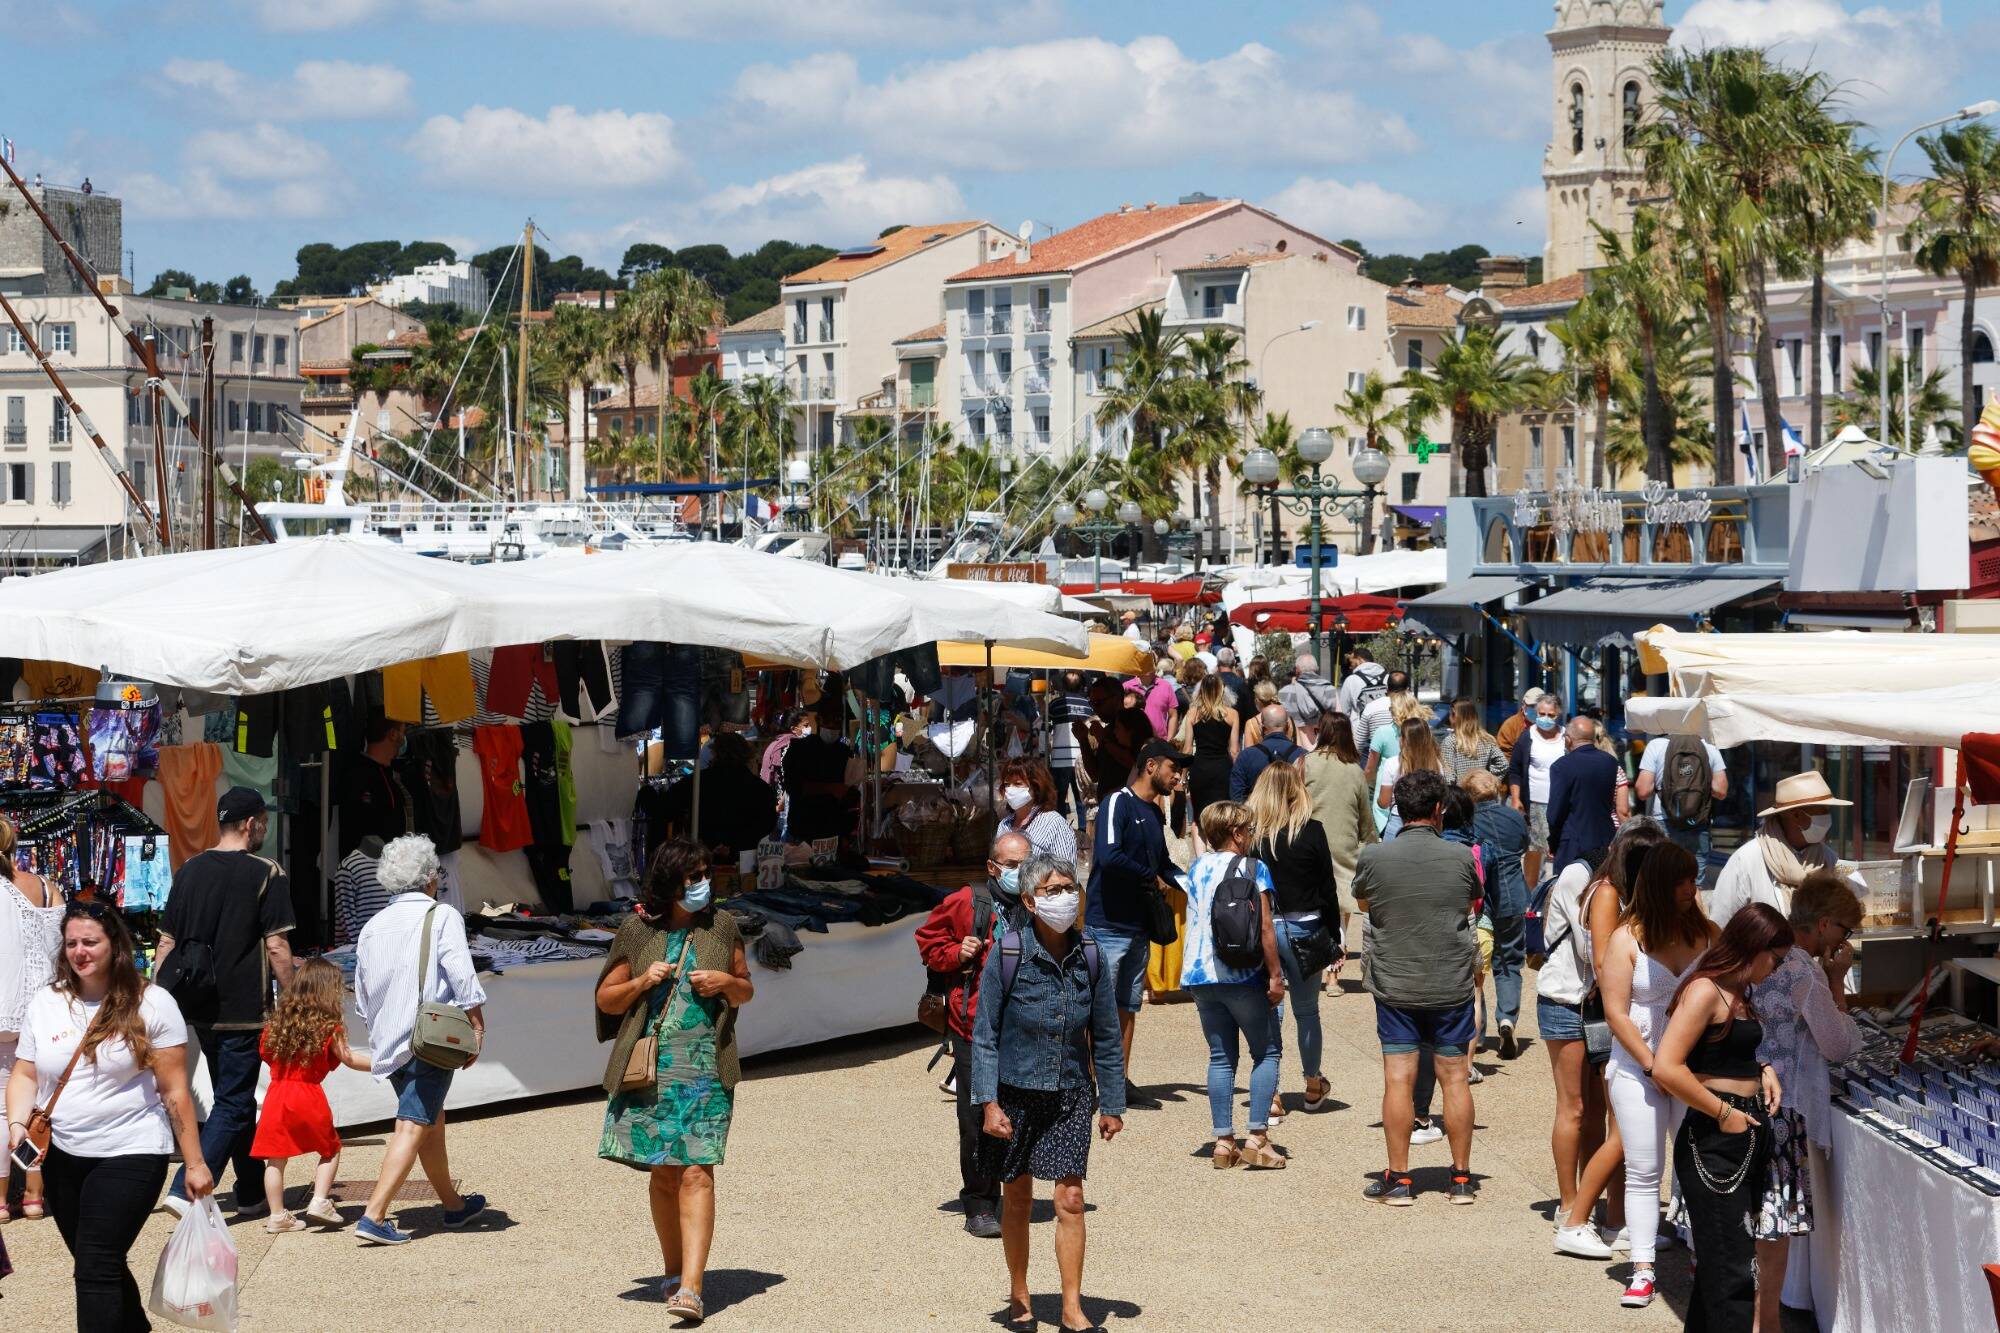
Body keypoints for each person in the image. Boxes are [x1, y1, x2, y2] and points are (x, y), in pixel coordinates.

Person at [5, 902, 211, 1329]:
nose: (80, 952)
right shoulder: (47, 1001)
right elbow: (25, 1073)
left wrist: (195, 1163)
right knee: (99, 1261)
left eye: (90, 942)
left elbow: (175, 1091)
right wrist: (17, 1124)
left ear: (115, 944)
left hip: (132, 1149)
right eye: (71, 943)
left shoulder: (153, 1003)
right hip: (63, 1154)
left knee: (95, 1265)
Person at [595, 839, 754, 1324]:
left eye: (706, 873)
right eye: (693, 876)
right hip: (652, 1070)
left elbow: (746, 989)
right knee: (664, 1173)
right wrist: (643, 982)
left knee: (697, 1171)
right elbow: (606, 999)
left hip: (706, 1070)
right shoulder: (637, 931)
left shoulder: (722, 926)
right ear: (670, 881)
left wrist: (726, 984)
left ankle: (692, 1287)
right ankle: (672, 1272)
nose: (703, 883)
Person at [1555, 842, 1717, 1309]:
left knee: (1694, 1168)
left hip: (1692, 1069)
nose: (1691, 889)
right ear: (1661, 885)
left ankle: (1699, 1256)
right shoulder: (1627, 938)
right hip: (1636, 1067)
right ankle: (1643, 1269)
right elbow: (1615, 1013)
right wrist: (1652, 1064)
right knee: (1645, 1171)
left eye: (1693, 880)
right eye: (1682, 881)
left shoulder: (1707, 933)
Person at [971, 855, 1124, 1333]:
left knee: (1071, 1199)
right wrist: (988, 1103)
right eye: (1053, 890)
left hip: (1070, 1096)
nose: (1065, 897)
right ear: (1031, 901)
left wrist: (1112, 1103)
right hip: (1014, 1094)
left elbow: (1106, 1035)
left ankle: (1072, 1309)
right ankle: (1020, 1297)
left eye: (1069, 887)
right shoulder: (1008, 953)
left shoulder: (1091, 954)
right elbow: (985, 1034)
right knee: (1017, 1199)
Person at [158, 786, 297, 1216]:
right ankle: (186, 1188)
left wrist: (156, 1000)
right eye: (264, 823)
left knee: (232, 1097)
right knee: (235, 1103)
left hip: (197, 1004)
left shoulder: (189, 869)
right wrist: (294, 998)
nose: (264, 830)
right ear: (250, 824)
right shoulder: (266, 872)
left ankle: (251, 1192)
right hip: (243, 1007)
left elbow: (166, 942)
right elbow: (277, 946)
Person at [1652, 904, 1792, 1333]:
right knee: (1732, 1274)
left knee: (1722, 1268)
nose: (1777, 968)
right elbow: (1666, 1067)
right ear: (1754, 946)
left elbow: (1723, 1052)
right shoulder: (1704, 991)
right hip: (1714, 1141)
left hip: (1741, 1135)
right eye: (1776, 958)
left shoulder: (1737, 991)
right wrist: (1724, 1111)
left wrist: (1761, 1068)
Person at [352, 834, 489, 1244]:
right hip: (429, 1038)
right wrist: (477, 1025)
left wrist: (381, 1029)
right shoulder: (441, 914)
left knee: (431, 1119)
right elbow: (461, 973)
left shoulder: (373, 926)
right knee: (413, 1123)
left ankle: (453, 1205)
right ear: (430, 877)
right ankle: (374, 1215)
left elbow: (362, 993)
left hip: (390, 1039)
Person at [1353, 770, 1482, 1206]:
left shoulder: (1375, 856)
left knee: (1398, 1079)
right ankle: (1460, 1179)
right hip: (1450, 983)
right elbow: (1470, 902)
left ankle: (1400, 1179)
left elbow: (1364, 901)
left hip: (1396, 983)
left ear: (1398, 808)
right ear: (1438, 810)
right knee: (1455, 1078)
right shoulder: (1461, 856)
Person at [1750, 873, 1864, 1333]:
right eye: (1845, 929)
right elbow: (1838, 1044)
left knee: (1761, 1216)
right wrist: (1838, 985)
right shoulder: (1803, 969)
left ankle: (1765, 1315)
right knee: (1775, 1223)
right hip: (1787, 1102)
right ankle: (1768, 1322)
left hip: (1751, 1091)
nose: (1844, 939)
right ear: (1823, 924)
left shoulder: (1766, 954)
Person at [1550, 820, 1666, 1248]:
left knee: (1616, 1116)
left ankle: (1616, 1218)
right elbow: (1602, 962)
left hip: (1606, 1011)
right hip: (1577, 1006)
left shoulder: (1635, 896)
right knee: (1580, 1110)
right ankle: (1572, 1211)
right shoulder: (1605, 892)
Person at [914, 832, 1032, 1237]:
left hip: (1024, 1026)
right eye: (1012, 865)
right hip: (973, 1026)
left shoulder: (1037, 899)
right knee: (977, 1114)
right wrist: (956, 953)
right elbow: (928, 942)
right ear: (992, 868)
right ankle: (979, 1203)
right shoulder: (968, 901)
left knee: (1021, 1109)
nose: (1020, 872)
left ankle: (1013, 1192)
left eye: (1026, 863)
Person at [1181, 801, 1288, 1167]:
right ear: (1237, 833)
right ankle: (1257, 1137)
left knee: (1221, 1056)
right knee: (1267, 1051)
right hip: (1241, 974)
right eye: (1249, 830)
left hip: (1200, 975)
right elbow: (1266, 928)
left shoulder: (1197, 868)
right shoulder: (1254, 868)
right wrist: (1275, 975)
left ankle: (1224, 1142)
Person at [1085, 740, 1187, 1095]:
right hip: (1108, 925)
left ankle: (1118, 1084)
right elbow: (1108, 856)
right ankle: (1089, 1085)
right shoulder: (1117, 802)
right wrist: (1151, 877)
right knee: (1099, 1007)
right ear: (1151, 766)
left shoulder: (1156, 814)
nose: (1178, 776)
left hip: (1139, 926)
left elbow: (1163, 864)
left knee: (1128, 1005)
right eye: (1173, 768)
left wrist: (1194, 883)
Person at [252, 957, 372, 1233]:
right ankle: (319, 1200)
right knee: (330, 1149)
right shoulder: (329, 1026)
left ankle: (277, 1215)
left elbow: (266, 1054)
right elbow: (349, 1058)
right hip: (307, 1093)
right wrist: (383, 1064)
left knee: (275, 1158)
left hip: (277, 1094)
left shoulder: (278, 1024)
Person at [1250, 765, 1340, 1113]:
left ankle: (1271, 1093)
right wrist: (1334, 934)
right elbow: (1327, 887)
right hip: (1307, 927)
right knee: (1307, 1011)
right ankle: (1313, 1085)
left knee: (1271, 1009)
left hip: (1266, 927)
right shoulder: (1312, 830)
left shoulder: (1254, 835)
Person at [0, 815, 62, 1221]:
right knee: (37, 1105)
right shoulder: (42, 886)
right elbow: (61, 948)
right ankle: (34, 1195)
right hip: (40, 1008)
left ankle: (1, 1200)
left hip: (4, 1009)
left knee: (2, 1108)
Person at [1708, 771, 1853, 927]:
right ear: (1795, 815)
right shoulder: (1746, 861)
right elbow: (1720, 923)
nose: (1828, 817)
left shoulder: (1829, 859)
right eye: (1822, 811)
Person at [1465, 771, 1529, 1057]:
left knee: (1474, 966)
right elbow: (1524, 845)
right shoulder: (1514, 817)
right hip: (1512, 894)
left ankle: (1476, 1033)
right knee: (1509, 962)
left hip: (1481, 899)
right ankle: (1507, 1019)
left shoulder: (1468, 820)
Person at [1304, 714, 1377, 963]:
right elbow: (1365, 816)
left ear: (1321, 732)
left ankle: (1326, 959)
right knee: (1341, 903)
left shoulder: (1305, 763)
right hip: (1344, 843)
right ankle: (1336, 959)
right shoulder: (1354, 770)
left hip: (1310, 842)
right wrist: (1371, 844)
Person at [654, 731, 777, 857]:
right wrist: (737, 844)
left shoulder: (697, 782)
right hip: (744, 857)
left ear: (715, 753)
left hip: (703, 854)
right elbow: (768, 824)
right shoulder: (760, 788)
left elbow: (666, 809)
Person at [1634, 732, 1729, 887]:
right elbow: (1721, 790)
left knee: (1663, 880)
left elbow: (1643, 791)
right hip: (1697, 821)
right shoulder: (1709, 747)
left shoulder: (1656, 746)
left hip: (1664, 820)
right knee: (1693, 882)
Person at [1507, 692, 1566, 889]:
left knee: (1558, 848)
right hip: (1534, 804)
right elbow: (1515, 770)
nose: (1546, 718)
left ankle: (1557, 889)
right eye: (1542, 714)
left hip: (1560, 803)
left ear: (1558, 715)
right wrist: (1516, 798)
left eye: (1551, 715)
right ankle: (1530, 893)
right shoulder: (1527, 737)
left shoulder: (1566, 737)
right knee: (1533, 850)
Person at [1547, 717, 1620, 876]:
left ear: (1568, 739)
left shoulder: (1561, 766)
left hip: (1573, 845)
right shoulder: (1610, 762)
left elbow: (1555, 814)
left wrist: (1553, 841)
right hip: (1604, 841)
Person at [341, 713, 415, 858]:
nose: (404, 739)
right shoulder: (359, 777)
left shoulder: (390, 775)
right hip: (370, 868)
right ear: (393, 734)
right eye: (403, 732)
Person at [1178, 675, 1241, 835]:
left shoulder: (1193, 713)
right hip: (1223, 770)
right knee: (1224, 816)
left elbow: (1187, 749)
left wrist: (1183, 776)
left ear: (1201, 691)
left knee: (1199, 820)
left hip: (1200, 769)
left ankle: (1201, 850)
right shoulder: (1232, 714)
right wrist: (1239, 776)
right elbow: (1234, 750)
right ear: (1222, 691)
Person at [1374, 716, 1444, 839]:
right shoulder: (1437, 765)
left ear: (1404, 740)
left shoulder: (1392, 764)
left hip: (1399, 820)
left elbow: (1384, 803)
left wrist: (1379, 800)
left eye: (1400, 736)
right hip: (1427, 823)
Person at [999, 758, 1079, 862]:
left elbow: (1065, 869)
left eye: (1018, 784)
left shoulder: (1054, 824)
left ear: (1036, 787)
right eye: (1006, 784)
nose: (1010, 789)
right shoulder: (1004, 825)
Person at [1047, 670, 1093, 832]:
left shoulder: (1054, 705)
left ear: (1062, 685)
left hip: (1059, 760)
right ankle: (1083, 832)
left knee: (1059, 799)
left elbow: (1044, 730)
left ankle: (1061, 831)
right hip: (1082, 758)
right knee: (1082, 798)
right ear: (1082, 685)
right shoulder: (1088, 705)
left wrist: (1043, 754)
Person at [1231, 703, 1305, 801]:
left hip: (1255, 809)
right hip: (1291, 810)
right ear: (1287, 726)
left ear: (1262, 727)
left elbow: (1237, 796)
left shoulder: (1246, 756)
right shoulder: (1302, 755)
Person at [1278, 652, 1340, 749]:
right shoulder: (1330, 690)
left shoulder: (1284, 693)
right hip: (1326, 747)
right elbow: (1339, 719)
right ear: (1316, 668)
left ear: (1297, 670)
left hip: (1297, 749)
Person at [1440, 699, 1509, 785]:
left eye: (1450, 715)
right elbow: (1503, 764)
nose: (1449, 718)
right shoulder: (1486, 739)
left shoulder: (1450, 742)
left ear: (1455, 717)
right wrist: (1488, 781)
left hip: (1461, 791)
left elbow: (1448, 777)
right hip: (1482, 791)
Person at [1357, 668, 1412, 761]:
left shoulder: (1371, 707)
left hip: (1378, 764)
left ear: (1387, 688)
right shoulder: (1415, 708)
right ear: (1408, 689)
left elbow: (1359, 743)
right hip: (1409, 763)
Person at [1124, 657, 1179, 743]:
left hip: (1159, 743)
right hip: (1133, 742)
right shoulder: (1126, 687)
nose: (1147, 665)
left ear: (1155, 665)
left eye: (1150, 662)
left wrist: (1169, 741)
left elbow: (1173, 715)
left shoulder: (1165, 686)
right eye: (1144, 662)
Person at [1336, 646, 1390, 729]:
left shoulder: (1351, 680)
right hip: (1387, 727)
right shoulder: (1388, 677)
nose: (1350, 666)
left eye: (1351, 662)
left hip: (1360, 730)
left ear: (1359, 660)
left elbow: (1344, 712)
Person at [1495, 686, 1545, 754]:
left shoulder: (1548, 724)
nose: (1535, 709)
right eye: (1532, 706)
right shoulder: (1510, 725)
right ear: (1523, 705)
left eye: (1539, 706)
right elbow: (1504, 753)